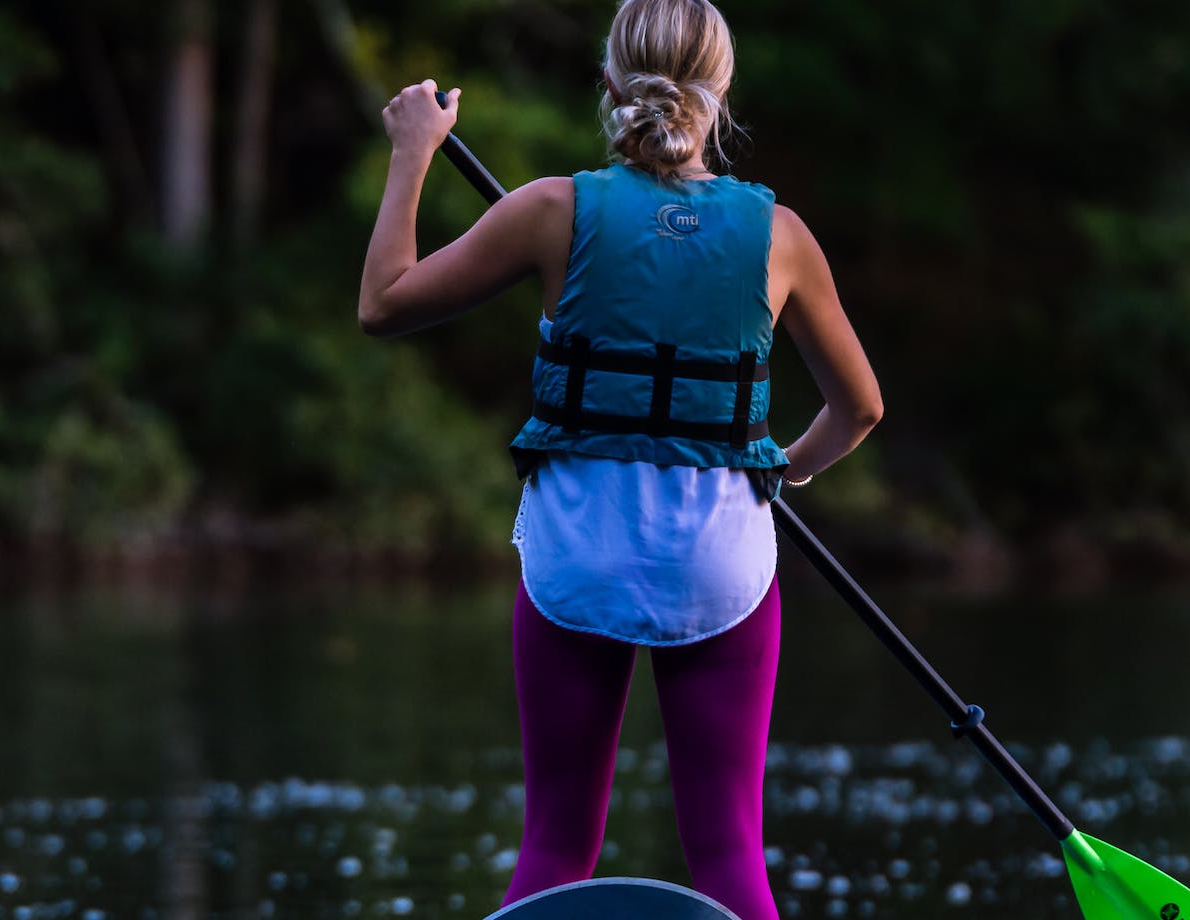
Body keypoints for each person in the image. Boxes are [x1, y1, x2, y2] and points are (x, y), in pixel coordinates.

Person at [356, 1, 883, 917]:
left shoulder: (551, 210)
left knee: (558, 843)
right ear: (719, 94)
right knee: (728, 854)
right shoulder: (781, 235)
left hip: (579, 560)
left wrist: (414, 153)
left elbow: (385, 303)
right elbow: (861, 408)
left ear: (610, 83)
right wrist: (782, 470)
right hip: (723, 564)